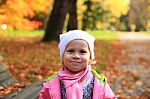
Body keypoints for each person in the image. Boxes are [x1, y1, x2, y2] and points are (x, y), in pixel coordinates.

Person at [39, 30, 117, 99]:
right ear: (62, 57)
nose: (76, 56)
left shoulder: (98, 83)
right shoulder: (52, 84)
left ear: (90, 58)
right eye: (71, 51)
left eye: (82, 52)